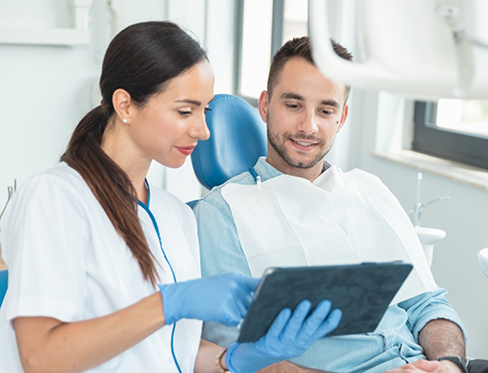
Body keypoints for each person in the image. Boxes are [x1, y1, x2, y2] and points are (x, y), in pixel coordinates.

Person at [0, 23, 343, 373]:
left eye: (205, 111)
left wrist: (242, 358)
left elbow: (174, 350)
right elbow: (41, 357)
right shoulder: (55, 198)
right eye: (184, 111)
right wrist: (169, 304)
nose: (203, 130)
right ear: (125, 105)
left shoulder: (174, 215)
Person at [193, 36, 488, 373]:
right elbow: (234, 355)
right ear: (265, 106)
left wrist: (450, 364)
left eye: (326, 110)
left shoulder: (370, 189)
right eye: (293, 105)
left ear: (342, 117)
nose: (308, 126)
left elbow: (428, 303)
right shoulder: (223, 212)